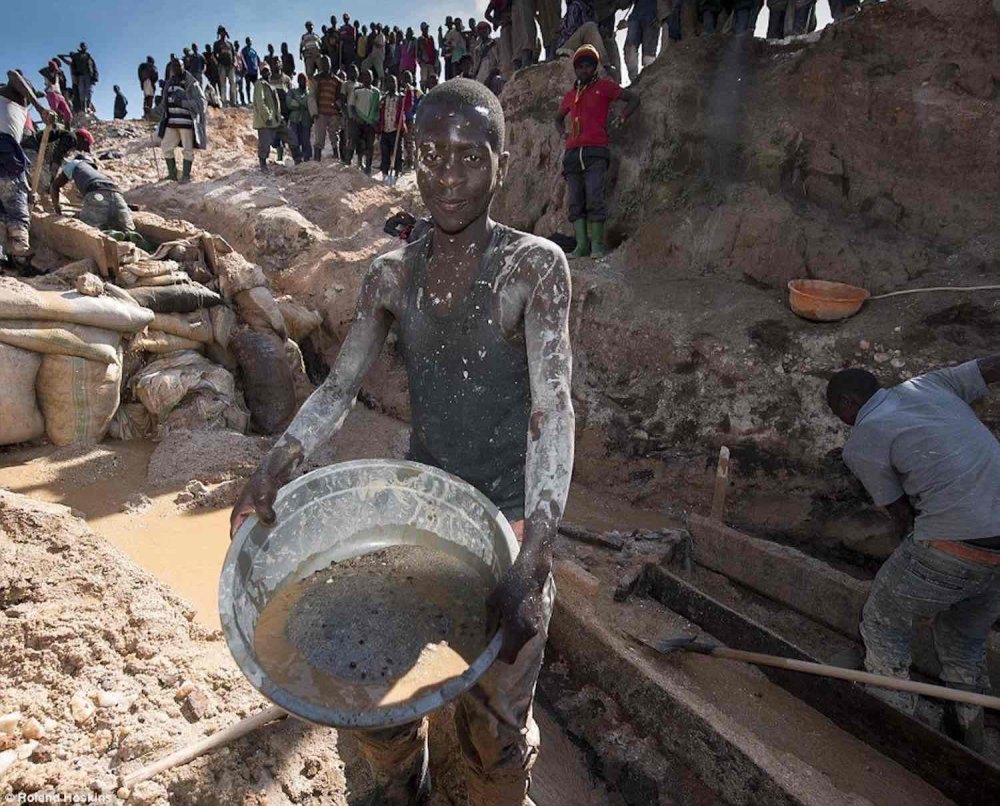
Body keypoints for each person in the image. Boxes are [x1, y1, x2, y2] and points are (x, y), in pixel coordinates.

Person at [231, 77, 574, 806]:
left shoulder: (533, 267)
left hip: (509, 520)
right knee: (375, 697)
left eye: (469, 157)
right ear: (411, 158)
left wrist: (535, 556)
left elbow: (552, 408)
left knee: (497, 725)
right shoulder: (391, 274)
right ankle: (400, 786)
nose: (448, 175)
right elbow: (337, 388)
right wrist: (276, 464)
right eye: (431, 154)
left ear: (502, 166)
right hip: (423, 516)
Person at [825, 358, 1000, 752]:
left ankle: (896, 731)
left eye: (838, 413)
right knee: (963, 640)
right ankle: (968, 737)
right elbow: (990, 366)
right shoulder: (931, 384)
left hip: (955, 541)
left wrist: (912, 576)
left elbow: (902, 516)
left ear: (848, 402)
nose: (842, 421)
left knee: (883, 621)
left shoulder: (864, 438)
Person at [555, 45, 639, 259]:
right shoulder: (570, 95)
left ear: (595, 67)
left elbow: (633, 99)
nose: (584, 69)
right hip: (573, 154)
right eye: (580, 66)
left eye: (589, 65)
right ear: (576, 69)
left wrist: (622, 117)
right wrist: (563, 134)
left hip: (596, 151)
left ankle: (597, 246)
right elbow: (557, 118)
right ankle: (581, 246)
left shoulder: (605, 87)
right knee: (576, 201)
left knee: (594, 196)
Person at [0, 72, 42, 272]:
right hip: (5, 152)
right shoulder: (15, 95)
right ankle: (21, 260)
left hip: (8, 151)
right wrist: (41, 108)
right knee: (17, 210)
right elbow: (14, 74)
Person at [50, 156, 134, 233]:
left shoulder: (74, 163)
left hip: (96, 192)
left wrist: (57, 210)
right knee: (126, 229)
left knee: (89, 229)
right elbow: (108, 196)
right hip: (117, 194)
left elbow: (55, 186)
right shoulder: (98, 175)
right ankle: (128, 234)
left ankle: (109, 234)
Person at [157, 59, 207, 182]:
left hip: (186, 122)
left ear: (183, 66)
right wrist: (151, 112)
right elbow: (164, 105)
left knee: (187, 149)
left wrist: (183, 102)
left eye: (179, 66)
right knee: (166, 146)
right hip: (171, 122)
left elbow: (202, 103)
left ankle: (186, 176)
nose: (176, 68)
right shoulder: (169, 83)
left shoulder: (191, 83)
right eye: (174, 66)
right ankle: (173, 174)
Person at [555, 0, 612, 73]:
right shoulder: (576, 6)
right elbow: (570, 31)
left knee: (609, 41)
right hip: (566, 47)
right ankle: (605, 66)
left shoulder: (591, 10)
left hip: (583, 45)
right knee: (590, 26)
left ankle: (615, 77)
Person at [376, 75, 407, 184]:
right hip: (385, 129)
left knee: (397, 152)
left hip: (396, 130)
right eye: (389, 82)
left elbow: (408, 106)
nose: (391, 85)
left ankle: (396, 174)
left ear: (396, 84)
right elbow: (380, 113)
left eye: (393, 82)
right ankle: (385, 174)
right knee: (385, 152)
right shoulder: (383, 98)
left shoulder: (401, 98)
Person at [309, 57, 342, 162]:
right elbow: (312, 96)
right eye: (323, 64)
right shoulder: (316, 79)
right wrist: (314, 112)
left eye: (327, 63)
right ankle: (317, 161)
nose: (325, 66)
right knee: (319, 138)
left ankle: (337, 158)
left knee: (334, 136)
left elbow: (340, 96)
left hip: (333, 113)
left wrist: (339, 109)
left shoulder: (336, 80)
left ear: (330, 64)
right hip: (321, 112)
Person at [349, 69, 381, 175]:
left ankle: (368, 168)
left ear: (372, 78)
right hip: (358, 122)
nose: (367, 78)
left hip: (370, 123)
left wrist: (374, 120)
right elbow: (352, 106)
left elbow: (378, 108)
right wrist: (356, 117)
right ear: (362, 78)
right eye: (365, 76)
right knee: (356, 143)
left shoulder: (376, 92)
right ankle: (352, 163)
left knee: (369, 146)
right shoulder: (356, 89)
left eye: (369, 76)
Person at [253, 64, 282, 172]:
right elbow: (260, 102)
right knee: (264, 143)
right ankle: (262, 164)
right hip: (265, 120)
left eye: (268, 70)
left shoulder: (271, 85)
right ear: (261, 73)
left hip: (274, 120)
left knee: (274, 141)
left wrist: (278, 116)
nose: (266, 73)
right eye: (264, 71)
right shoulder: (259, 84)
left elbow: (275, 103)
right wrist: (267, 116)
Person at [624, 0, 660, 81]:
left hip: (652, 16)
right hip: (636, 16)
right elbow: (624, 4)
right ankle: (634, 81)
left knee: (648, 55)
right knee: (629, 49)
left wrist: (662, 15)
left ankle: (648, 81)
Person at [58, 43, 98, 113]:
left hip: (79, 79)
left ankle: (86, 108)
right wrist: (69, 55)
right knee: (79, 95)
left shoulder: (77, 62)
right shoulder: (71, 63)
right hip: (75, 81)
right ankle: (81, 109)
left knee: (86, 92)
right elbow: (60, 56)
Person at [285, 73, 312, 164]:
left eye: (304, 80)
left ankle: (307, 160)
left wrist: (298, 101)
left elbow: (309, 104)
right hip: (294, 120)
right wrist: (302, 103)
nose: (302, 82)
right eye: (300, 79)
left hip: (306, 120)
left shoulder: (310, 93)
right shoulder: (292, 91)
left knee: (305, 141)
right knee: (293, 141)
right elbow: (289, 103)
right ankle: (297, 159)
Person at [485, 0, 515, 77]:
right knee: (507, 54)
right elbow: (487, 14)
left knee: (518, 50)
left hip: (516, 23)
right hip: (505, 27)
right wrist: (498, 22)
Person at [40, 60, 73, 125]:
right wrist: (55, 73)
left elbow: (62, 83)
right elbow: (53, 81)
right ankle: (54, 128)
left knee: (68, 114)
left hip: (59, 94)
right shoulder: (47, 74)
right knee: (53, 113)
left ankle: (67, 128)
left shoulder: (57, 74)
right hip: (52, 94)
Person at [340, 64, 360, 166]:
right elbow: (342, 101)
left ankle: (358, 161)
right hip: (349, 115)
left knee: (358, 138)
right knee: (348, 138)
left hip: (359, 115)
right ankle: (346, 160)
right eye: (351, 70)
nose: (354, 72)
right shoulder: (345, 84)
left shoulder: (360, 85)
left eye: (355, 70)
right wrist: (346, 114)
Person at [214, 27, 238, 107]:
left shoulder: (230, 44)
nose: (223, 33)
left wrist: (235, 62)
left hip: (231, 65)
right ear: (219, 33)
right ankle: (223, 102)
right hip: (222, 66)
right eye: (221, 32)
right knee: (223, 84)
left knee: (233, 83)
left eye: (224, 32)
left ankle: (233, 102)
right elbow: (214, 55)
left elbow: (234, 54)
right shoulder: (217, 43)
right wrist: (218, 63)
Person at [415, 23, 439, 90]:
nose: (426, 30)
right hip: (424, 64)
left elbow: (434, 49)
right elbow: (417, 52)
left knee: (432, 81)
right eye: (425, 28)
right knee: (424, 81)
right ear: (422, 29)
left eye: (427, 28)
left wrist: (435, 62)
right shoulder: (419, 39)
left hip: (432, 63)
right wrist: (420, 62)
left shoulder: (431, 38)